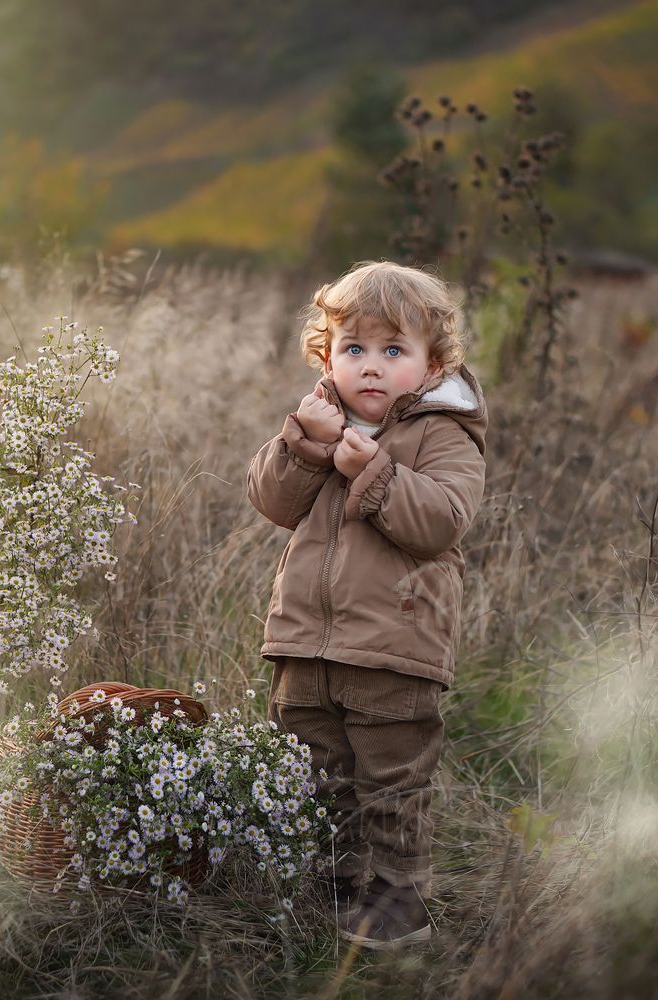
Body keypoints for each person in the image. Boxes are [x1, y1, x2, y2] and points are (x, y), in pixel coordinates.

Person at [246, 260, 487, 951]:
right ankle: (335, 881)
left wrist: (371, 471)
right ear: (327, 355)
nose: (372, 367)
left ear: (433, 362)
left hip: (395, 648)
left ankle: (399, 897)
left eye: (393, 350)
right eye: (355, 349)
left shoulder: (445, 434)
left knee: (390, 778)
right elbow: (273, 502)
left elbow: (441, 518)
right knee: (314, 770)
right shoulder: (322, 425)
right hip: (305, 644)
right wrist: (306, 444)